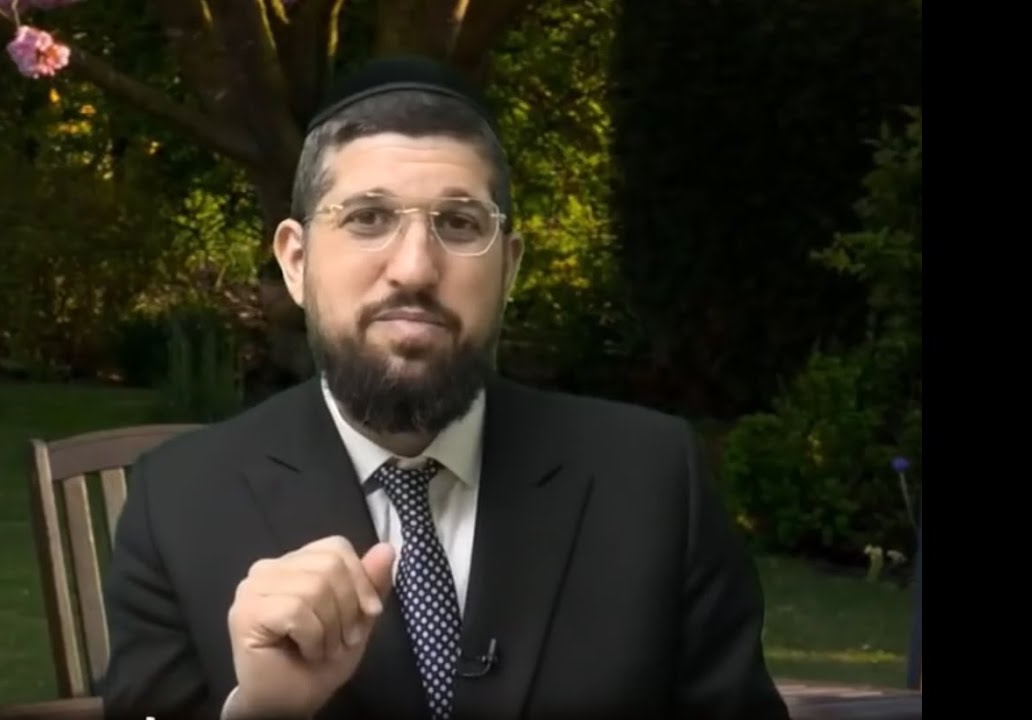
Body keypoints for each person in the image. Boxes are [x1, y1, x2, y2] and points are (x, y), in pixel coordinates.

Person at [98, 55, 791, 720]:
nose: (414, 269)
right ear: (296, 261)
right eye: (368, 218)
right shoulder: (177, 505)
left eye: (459, 224)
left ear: (509, 268)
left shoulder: (654, 483)